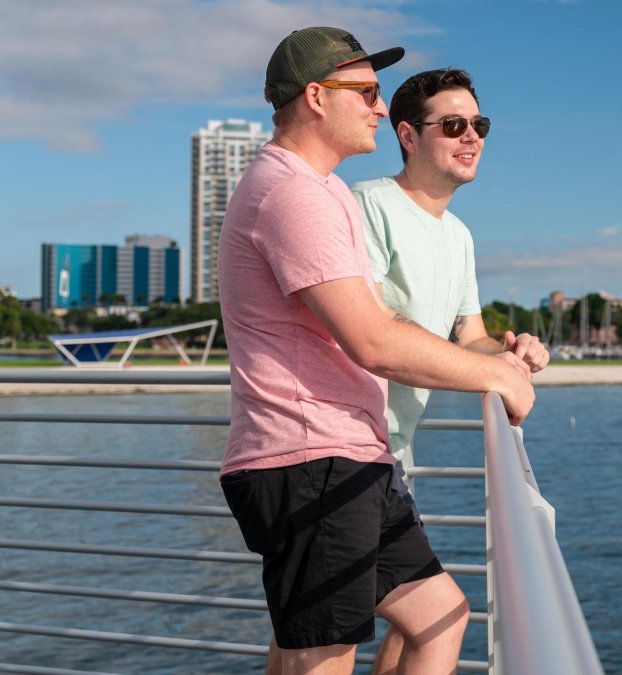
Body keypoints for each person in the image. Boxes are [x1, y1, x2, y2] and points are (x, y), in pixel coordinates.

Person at [216, 28, 534, 675]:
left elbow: (385, 321)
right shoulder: (293, 194)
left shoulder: (323, 190)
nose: (378, 106)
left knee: (440, 616)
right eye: (364, 91)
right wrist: (499, 379)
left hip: (351, 454)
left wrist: (499, 359)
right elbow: (372, 337)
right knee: (323, 658)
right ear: (314, 97)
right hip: (312, 456)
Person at [351, 68, 550, 466]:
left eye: (480, 125)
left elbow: (471, 338)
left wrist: (511, 353)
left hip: (394, 451)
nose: (472, 136)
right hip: (348, 447)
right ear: (408, 136)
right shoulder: (368, 205)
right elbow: (370, 323)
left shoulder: (459, 235)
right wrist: (494, 375)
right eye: (454, 124)